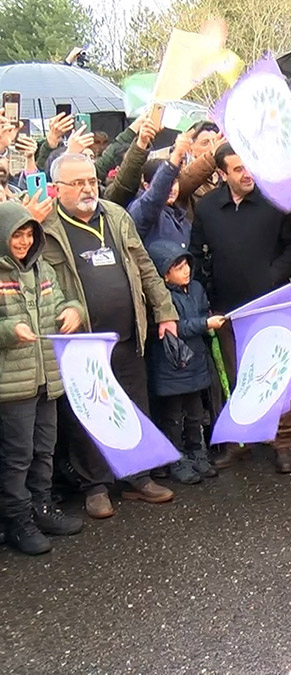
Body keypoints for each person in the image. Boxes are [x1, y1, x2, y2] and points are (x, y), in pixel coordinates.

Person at [42, 153, 179, 519]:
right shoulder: (47, 225)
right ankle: (96, 487)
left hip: (128, 334)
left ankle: (139, 477)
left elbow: (144, 266)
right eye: (78, 183)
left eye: (91, 180)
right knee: (88, 413)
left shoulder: (115, 215)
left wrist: (165, 310)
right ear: (57, 188)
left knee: (134, 405)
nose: (88, 188)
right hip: (82, 342)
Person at [190, 144, 291, 474]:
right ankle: (239, 442)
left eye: (249, 166)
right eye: (237, 169)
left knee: (277, 376)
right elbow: (196, 252)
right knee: (236, 377)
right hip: (227, 309)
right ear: (221, 174)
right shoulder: (208, 208)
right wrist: (206, 294)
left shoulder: (273, 202)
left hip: (271, 304)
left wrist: (273, 275)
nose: (247, 173)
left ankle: (282, 442)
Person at [0, 200, 85, 555]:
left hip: (47, 378)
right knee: (17, 456)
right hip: (13, 385)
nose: (23, 242)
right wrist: (10, 330)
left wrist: (73, 311)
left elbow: (66, 301)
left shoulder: (43, 269)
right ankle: (17, 520)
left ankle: (42, 507)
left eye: (28, 234)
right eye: (16, 235)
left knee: (44, 449)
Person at [146, 241, 223, 484]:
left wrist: (207, 320)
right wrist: (204, 324)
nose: (186, 270)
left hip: (196, 362)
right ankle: (176, 459)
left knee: (195, 414)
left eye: (186, 264)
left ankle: (197, 452)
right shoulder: (161, 298)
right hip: (171, 366)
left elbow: (202, 311)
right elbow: (173, 328)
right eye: (178, 267)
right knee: (172, 417)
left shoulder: (196, 288)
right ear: (165, 274)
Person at [128, 131, 194, 247]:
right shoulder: (141, 211)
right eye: (168, 183)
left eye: (174, 182)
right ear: (146, 186)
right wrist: (176, 156)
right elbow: (154, 196)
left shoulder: (182, 217)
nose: (171, 189)